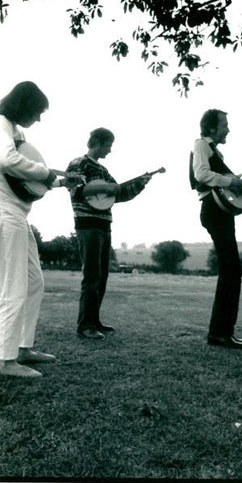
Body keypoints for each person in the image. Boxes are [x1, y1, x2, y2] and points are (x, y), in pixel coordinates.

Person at [0, 81, 81, 378]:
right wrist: (48, 172)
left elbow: (24, 179)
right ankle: (6, 361)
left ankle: (23, 348)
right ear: (23, 106)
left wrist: (60, 182)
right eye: (37, 112)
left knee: (34, 281)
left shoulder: (15, 132)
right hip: (0, 210)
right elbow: (8, 161)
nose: (38, 118)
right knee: (14, 285)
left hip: (15, 213)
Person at [66, 128, 152, 340]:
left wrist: (139, 184)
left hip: (104, 225)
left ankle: (94, 321)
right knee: (92, 276)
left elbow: (119, 194)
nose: (110, 150)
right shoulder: (78, 164)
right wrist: (107, 188)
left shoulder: (103, 170)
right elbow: (76, 190)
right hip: (87, 225)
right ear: (96, 142)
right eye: (108, 145)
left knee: (102, 276)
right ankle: (85, 326)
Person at [190, 109, 242, 349]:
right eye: (224, 125)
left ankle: (221, 332)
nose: (228, 129)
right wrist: (232, 181)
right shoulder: (201, 145)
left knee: (231, 270)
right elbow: (201, 174)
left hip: (220, 211)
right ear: (212, 128)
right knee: (230, 270)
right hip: (213, 211)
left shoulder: (215, 152)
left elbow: (228, 183)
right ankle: (219, 333)